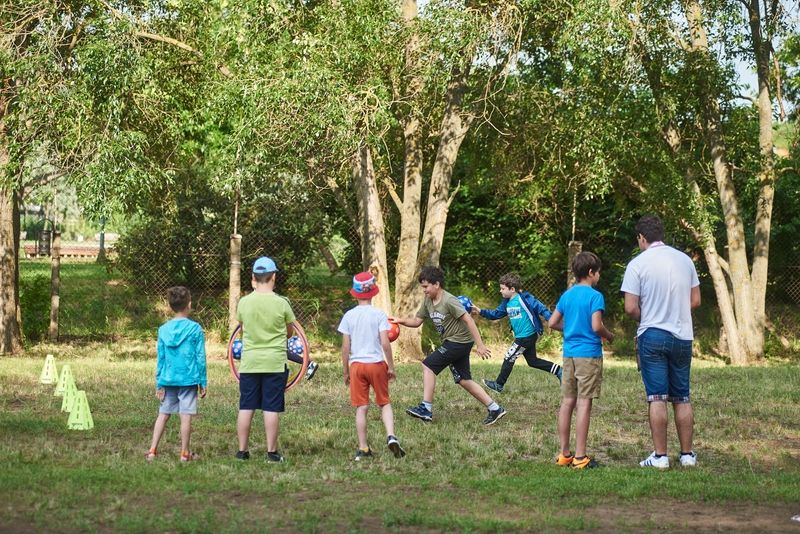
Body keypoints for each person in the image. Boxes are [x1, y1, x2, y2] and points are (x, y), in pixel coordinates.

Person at [621, 215, 701, 469]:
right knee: (682, 397)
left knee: (656, 397)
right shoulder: (684, 260)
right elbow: (696, 300)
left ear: (641, 238)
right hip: (682, 335)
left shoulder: (637, 264)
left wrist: (648, 315)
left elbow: (630, 307)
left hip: (652, 334)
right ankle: (687, 455)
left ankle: (660, 456)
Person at [391, 266, 506, 425]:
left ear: (436, 284)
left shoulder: (449, 300)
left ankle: (426, 408)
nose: (424, 290)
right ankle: (495, 408)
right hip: (454, 342)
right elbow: (417, 322)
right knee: (463, 380)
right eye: (422, 287)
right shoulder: (428, 301)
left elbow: (469, 320)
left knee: (428, 365)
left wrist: (480, 345)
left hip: (459, 341)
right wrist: (400, 320)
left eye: (426, 286)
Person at [549, 252, 614, 469]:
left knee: (568, 401)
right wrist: (608, 335)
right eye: (598, 273)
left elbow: (552, 323)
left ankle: (564, 454)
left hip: (569, 354)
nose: (599, 277)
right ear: (590, 272)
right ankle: (580, 457)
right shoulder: (595, 296)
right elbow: (596, 326)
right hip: (589, 355)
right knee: (584, 403)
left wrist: (570, 329)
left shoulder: (567, 296)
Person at [235, 256, 297, 463]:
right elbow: (290, 332)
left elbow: (243, 330)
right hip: (274, 363)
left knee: (246, 406)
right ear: (274, 278)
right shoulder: (282, 303)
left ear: (253, 277)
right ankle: (271, 453)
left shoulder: (243, 302)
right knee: (271, 407)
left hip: (250, 363)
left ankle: (242, 452)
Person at [338, 271, 406, 461]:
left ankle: (363, 448)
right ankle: (391, 435)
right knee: (384, 402)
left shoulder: (349, 316)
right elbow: (385, 343)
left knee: (362, 407)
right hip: (376, 364)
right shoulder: (379, 315)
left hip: (357, 366)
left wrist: (345, 371)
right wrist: (391, 366)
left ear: (355, 292)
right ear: (373, 292)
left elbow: (345, 347)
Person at [146, 286, 207, 462]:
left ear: (170, 306)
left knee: (163, 414)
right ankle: (184, 453)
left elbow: (161, 358)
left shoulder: (163, 329)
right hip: (188, 380)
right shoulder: (195, 329)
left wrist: (159, 382)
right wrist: (202, 381)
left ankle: (152, 451)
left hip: (168, 379)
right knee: (185, 415)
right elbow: (200, 357)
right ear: (189, 304)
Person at [472, 272, 561, 392]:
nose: (500, 291)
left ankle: (499, 385)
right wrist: (480, 311)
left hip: (527, 336)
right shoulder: (507, 302)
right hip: (522, 336)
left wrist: (551, 319)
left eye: (503, 288)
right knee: (532, 361)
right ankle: (560, 371)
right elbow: (496, 314)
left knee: (509, 357)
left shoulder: (525, 298)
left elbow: (541, 308)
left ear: (512, 289)